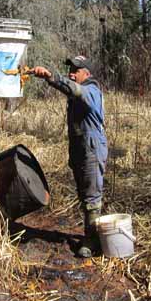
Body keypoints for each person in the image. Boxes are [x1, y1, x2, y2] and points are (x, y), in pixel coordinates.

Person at [33, 56, 107, 257]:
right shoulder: (78, 93)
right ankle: (91, 233)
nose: (71, 74)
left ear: (87, 73)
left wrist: (51, 77)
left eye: (76, 70)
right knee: (84, 195)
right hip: (80, 149)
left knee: (92, 197)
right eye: (70, 70)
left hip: (91, 149)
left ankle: (92, 242)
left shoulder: (91, 91)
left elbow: (75, 90)